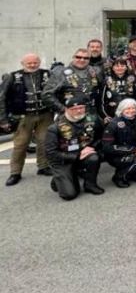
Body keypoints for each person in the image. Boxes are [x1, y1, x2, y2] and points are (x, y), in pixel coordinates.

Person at [0, 54, 53, 186]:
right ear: (22, 63)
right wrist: (3, 119)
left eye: (35, 62)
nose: (32, 65)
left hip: (45, 115)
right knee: (20, 145)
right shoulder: (12, 77)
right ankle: (15, 172)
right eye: (29, 63)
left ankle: (43, 166)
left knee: (44, 142)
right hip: (23, 117)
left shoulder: (48, 74)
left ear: (39, 62)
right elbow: (2, 98)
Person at [44, 94, 105, 200]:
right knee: (69, 195)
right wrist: (76, 155)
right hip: (63, 160)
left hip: (83, 155)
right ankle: (59, 178)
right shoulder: (55, 128)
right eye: (74, 109)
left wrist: (92, 147)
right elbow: (51, 153)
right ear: (67, 110)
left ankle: (90, 184)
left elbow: (101, 137)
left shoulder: (93, 119)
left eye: (81, 108)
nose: (78, 111)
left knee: (94, 157)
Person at [101, 98, 136, 188]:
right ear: (121, 109)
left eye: (133, 108)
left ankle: (126, 170)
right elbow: (107, 147)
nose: (131, 111)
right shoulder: (113, 124)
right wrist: (133, 150)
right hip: (117, 155)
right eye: (127, 108)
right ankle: (118, 177)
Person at [42, 48, 102, 115]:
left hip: (91, 114)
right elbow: (47, 95)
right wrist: (63, 109)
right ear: (73, 57)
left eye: (86, 58)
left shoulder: (95, 72)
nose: (82, 60)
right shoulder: (61, 73)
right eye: (78, 57)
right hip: (69, 115)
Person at [100, 58, 136, 123]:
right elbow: (101, 100)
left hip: (130, 114)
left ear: (126, 67)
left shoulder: (132, 79)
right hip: (112, 115)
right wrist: (105, 115)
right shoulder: (107, 80)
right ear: (113, 68)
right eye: (117, 66)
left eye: (122, 66)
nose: (120, 68)